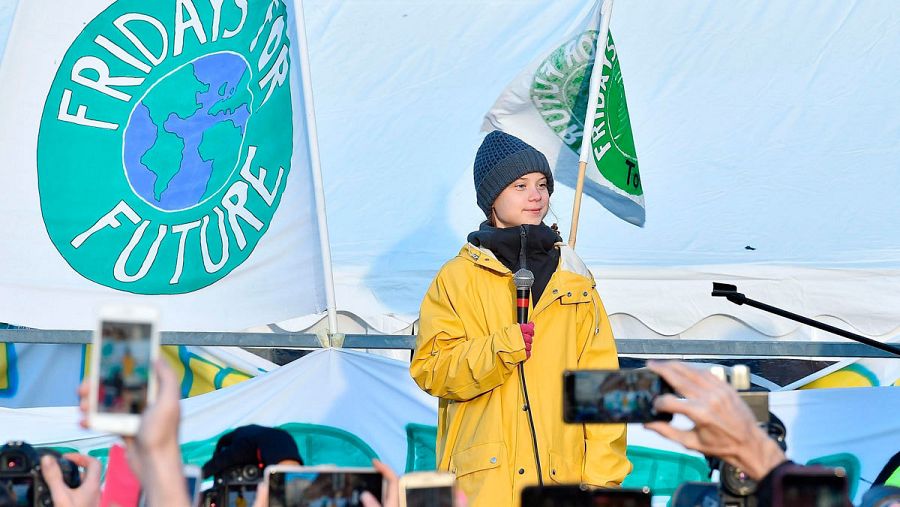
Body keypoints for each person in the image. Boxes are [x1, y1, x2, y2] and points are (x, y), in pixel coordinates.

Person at [410, 131, 630, 506]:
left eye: (542, 185)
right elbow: (432, 370)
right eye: (520, 185)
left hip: (563, 488)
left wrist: (602, 485)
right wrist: (500, 348)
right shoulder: (456, 277)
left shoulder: (574, 279)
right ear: (492, 198)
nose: (536, 195)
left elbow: (604, 390)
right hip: (483, 489)